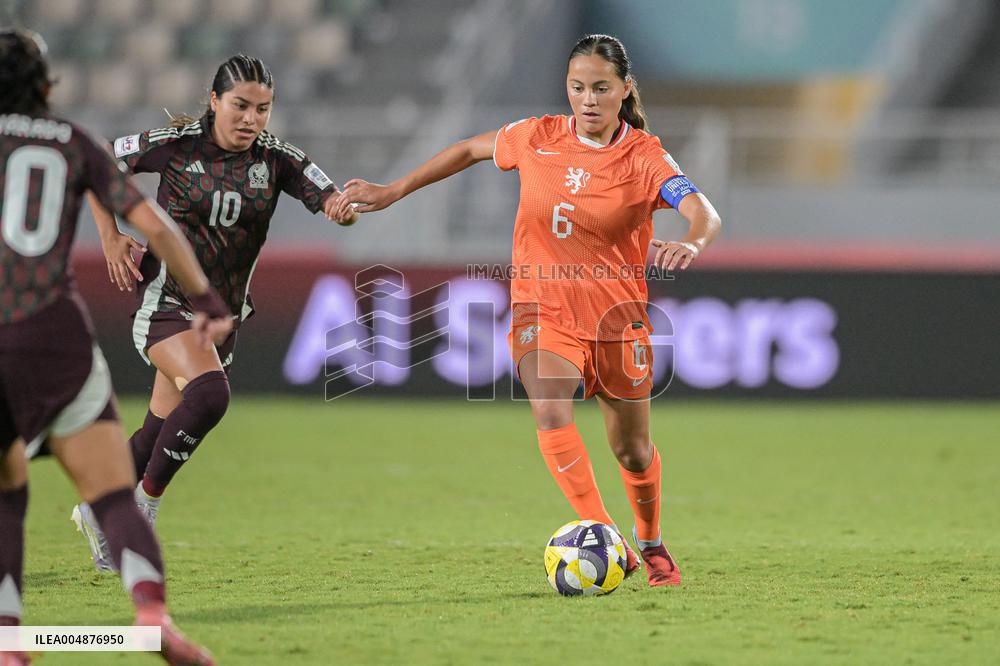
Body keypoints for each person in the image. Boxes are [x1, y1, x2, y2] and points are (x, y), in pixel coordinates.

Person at [334, 34, 721, 587]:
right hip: (543, 309)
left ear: (624, 89)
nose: (587, 99)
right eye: (577, 87)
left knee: (633, 452)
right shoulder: (535, 136)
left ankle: (651, 541)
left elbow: (703, 211)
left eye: (601, 88)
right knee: (549, 408)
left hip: (617, 319)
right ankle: (605, 533)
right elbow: (467, 150)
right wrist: (393, 191)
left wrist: (691, 241)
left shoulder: (644, 156)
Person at [0, 28, 231, 664]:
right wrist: (206, 299)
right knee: (109, 491)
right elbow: (155, 225)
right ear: (47, 85)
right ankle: (152, 616)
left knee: (8, 495)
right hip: (54, 335)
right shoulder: (73, 142)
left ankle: (10, 639)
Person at [77, 54, 358, 565]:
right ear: (214, 100)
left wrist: (340, 209)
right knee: (210, 396)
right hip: (166, 300)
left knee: (157, 429)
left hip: (222, 315)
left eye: (263, 109)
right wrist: (109, 235)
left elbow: (327, 195)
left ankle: (97, 509)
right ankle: (141, 509)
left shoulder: (277, 158)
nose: (251, 119)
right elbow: (99, 158)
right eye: (240, 105)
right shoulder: (176, 145)